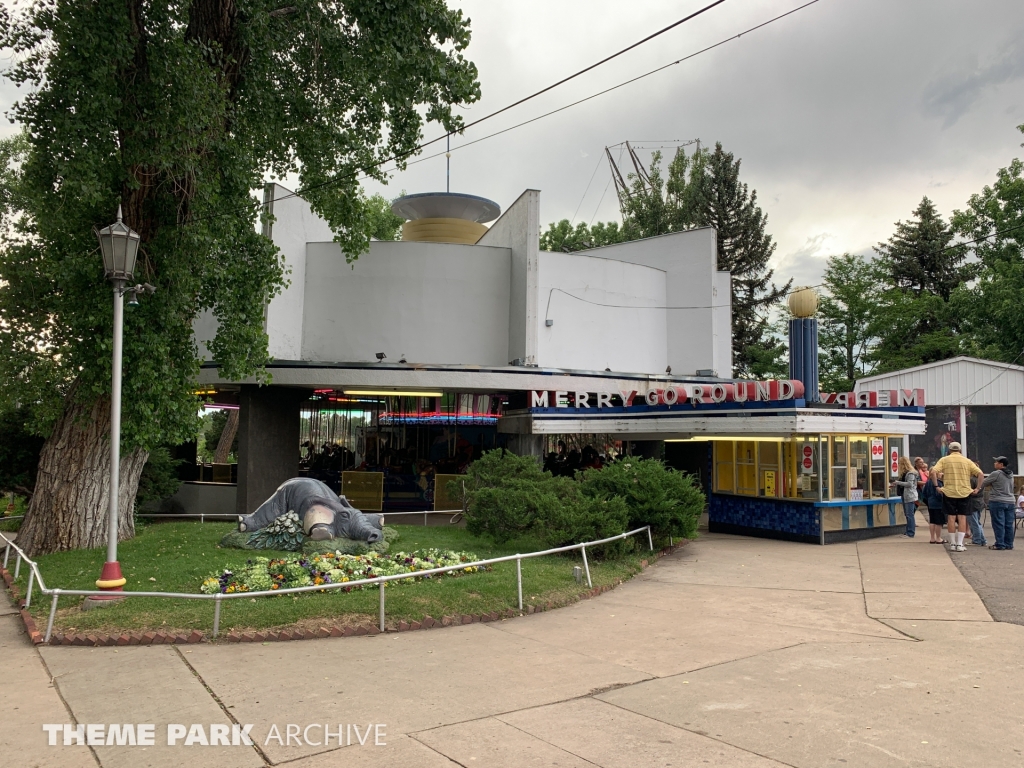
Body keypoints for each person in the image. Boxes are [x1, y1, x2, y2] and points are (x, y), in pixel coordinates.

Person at [932, 442, 984, 552]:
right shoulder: (967, 461)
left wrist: (937, 486)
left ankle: (952, 543)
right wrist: (977, 488)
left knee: (951, 518)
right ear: (960, 450)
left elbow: (933, 471)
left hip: (949, 492)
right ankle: (960, 544)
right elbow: (980, 474)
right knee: (962, 518)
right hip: (964, 492)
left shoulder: (944, 460)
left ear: (949, 450)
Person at [980, 456, 1016, 550]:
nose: (994, 463)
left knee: (998, 523)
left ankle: (1000, 544)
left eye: (996, 462)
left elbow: (984, 482)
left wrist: (977, 489)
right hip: (1010, 501)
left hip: (997, 500)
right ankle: (1009, 543)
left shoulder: (996, 473)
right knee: (1008, 524)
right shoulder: (1011, 473)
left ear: (1001, 464)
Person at [891, 456, 919, 537]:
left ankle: (910, 532)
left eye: (900, 463)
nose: (898, 465)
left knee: (910, 515)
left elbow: (910, 484)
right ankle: (908, 531)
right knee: (907, 514)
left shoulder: (910, 473)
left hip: (909, 496)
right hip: (905, 495)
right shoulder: (904, 473)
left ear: (903, 464)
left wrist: (897, 482)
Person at [919, 467, 947, 543]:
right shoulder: (939, 483)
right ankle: (938, 538)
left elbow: (924, 493)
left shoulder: (927, 482)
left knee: (932, 521)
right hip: (938, 504)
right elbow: (939, 494)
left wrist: (929, 500)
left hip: (930, 503)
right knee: (939, 522)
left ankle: (932, 538)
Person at [967, 475, 988, 546]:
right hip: (980, 501)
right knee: (977, 522)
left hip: (972, 502)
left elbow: (969, 491)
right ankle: (982, 539)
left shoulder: (972, 480)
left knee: (973, 522)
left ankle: (977, 540)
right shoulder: (982, 480)